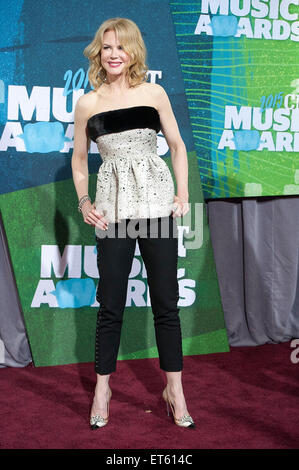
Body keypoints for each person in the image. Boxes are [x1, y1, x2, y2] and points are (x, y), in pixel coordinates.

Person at [71, 17, 195, 429]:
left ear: (133, 51)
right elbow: (78, 161)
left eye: (120, 47)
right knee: (110, 305)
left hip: (157, 206)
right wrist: (84, 200)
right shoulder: (87, 103)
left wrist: (182, 194)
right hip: (113, 210)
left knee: (166, 302)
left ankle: (174, 390)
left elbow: (176, 146)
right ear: (99, 52)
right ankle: (102, 388)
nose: (113, 54)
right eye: (107, 47)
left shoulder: (154, 92)